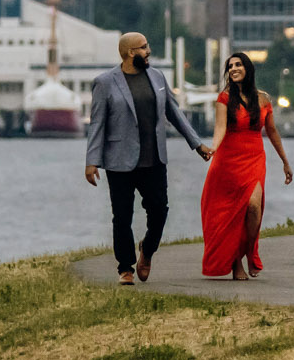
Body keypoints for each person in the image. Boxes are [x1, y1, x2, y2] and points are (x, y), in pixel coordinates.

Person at [85, 31, 207, 285]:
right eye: (143, 47)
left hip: (154, 159)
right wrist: (91, 161)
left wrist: (197, 144)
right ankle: (125, 268)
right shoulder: (105, 82)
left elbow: (174, 113)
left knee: (160, 211)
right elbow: (97, 124)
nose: (148, 51)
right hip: (119, 161)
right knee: (122, 216)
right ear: (130, 53)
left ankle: (147, 249)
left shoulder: (157, 76)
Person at [200, 53, 293, 279]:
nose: (233, 68)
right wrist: (212, 148)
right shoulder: (224, 98)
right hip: (227, 162)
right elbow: (220, 128)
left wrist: (285, 161)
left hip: (253, 159)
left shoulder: (264, 99)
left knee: (253, 206)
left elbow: (271, 131)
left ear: (248, 68)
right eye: (230, 66)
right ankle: (236, 263)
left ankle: (250, 252)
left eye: (238, 64)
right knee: (231, 214)